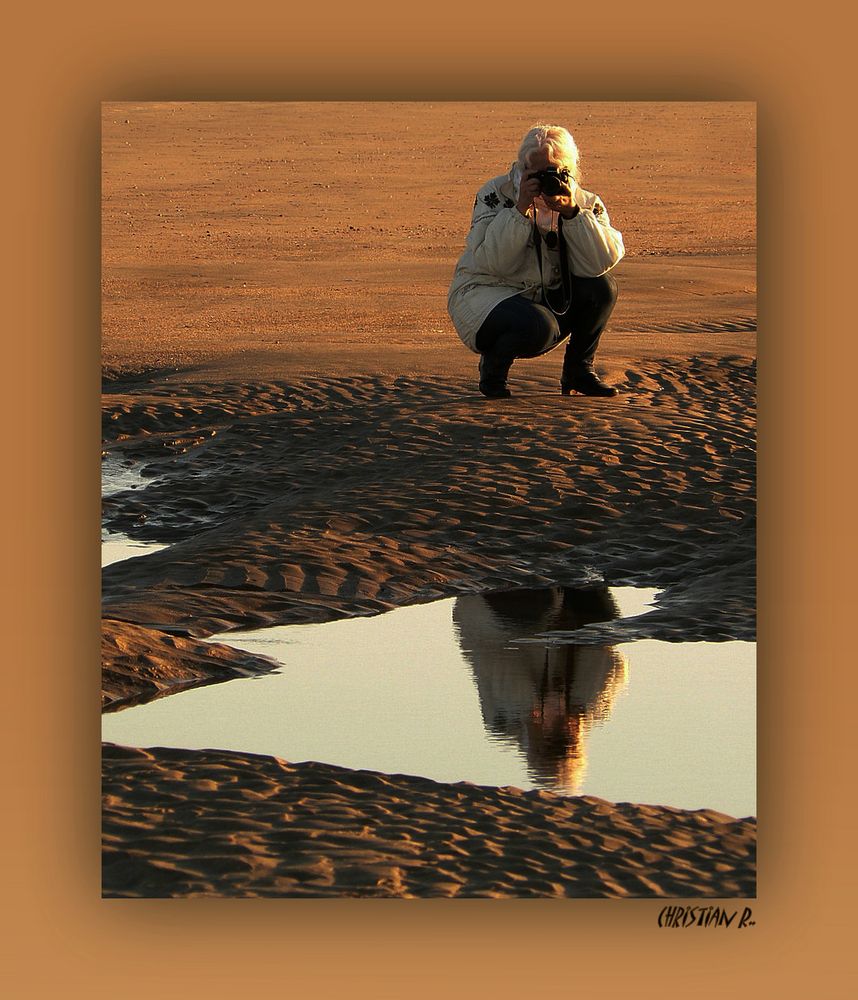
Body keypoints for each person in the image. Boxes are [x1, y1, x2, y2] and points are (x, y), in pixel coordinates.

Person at [447, 124, 625, 398]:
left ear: (569, 171)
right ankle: (493, 372)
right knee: (539, 325)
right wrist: (520, 209)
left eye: (554, 172)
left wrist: (572, 214)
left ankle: (579, 371)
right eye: (537, 172)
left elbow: (601, 262)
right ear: (522, 166)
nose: (545, 180)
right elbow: (494, 263)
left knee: (603, 288)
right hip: (485, 295)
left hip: (542, 297)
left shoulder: (584, 201)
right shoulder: (495, 194)